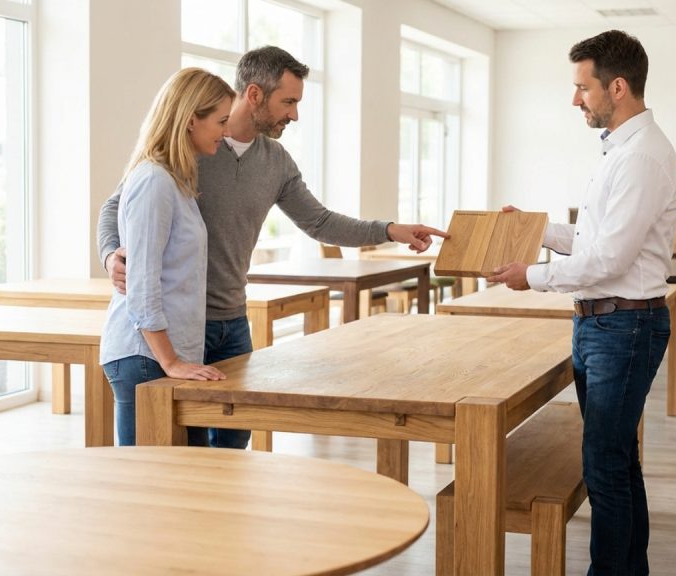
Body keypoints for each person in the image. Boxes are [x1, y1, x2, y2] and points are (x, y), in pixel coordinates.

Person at [98, 46, 447, 450]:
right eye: (289, 101)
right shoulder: (190, 150)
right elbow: (117, 206)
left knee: (226, 449)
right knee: (171, 458)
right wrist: (110, 255)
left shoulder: (275, 161)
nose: (294, 115)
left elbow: (319, 221)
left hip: (229, 322)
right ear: (254, 94)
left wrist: (388, 229)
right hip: (174, 327)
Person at [488, 30, 676, 575]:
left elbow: (610, 261)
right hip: (606, 324)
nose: (576, 100)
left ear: (617, 87)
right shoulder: (622, 149)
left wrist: (534, 275)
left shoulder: (641, 156)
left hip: (623, 325)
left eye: (582, 88)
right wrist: (534, 229)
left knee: (604, 466)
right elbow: (597, 240)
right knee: (616, 461)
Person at [99, 68, 235, 447]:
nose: (225, 132)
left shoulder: (176, 181)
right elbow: (141, 285)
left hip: (162, 354)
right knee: (150, 488)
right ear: (191, 119)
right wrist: (171, 361)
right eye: (221, 121)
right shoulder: (154, 181)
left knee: (180, 481)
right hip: (146, 357)